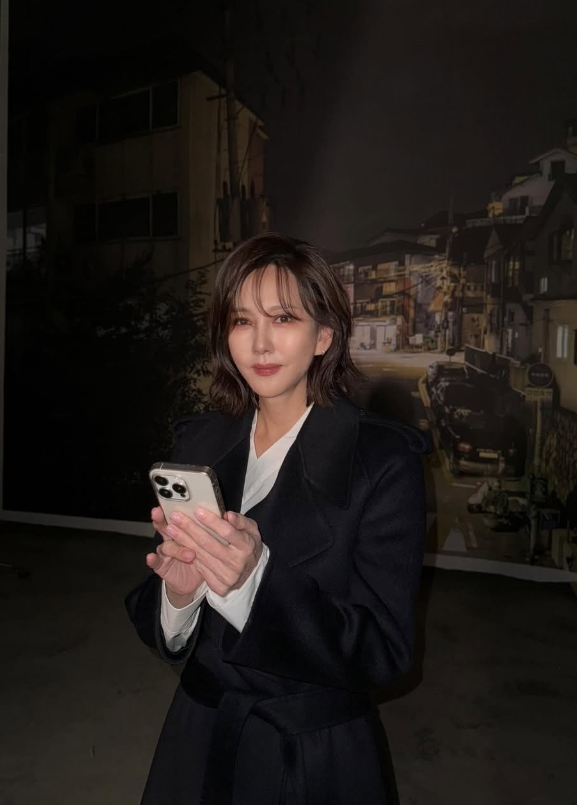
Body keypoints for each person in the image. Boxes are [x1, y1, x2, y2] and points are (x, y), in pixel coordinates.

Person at [125, 232, 429, 805]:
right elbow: (160, 620)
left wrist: (253, 584)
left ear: (324, 335)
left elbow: (384, 652)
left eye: (284, 317)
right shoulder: (199, 442)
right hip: (199, 729)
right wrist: (179, 597)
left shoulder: (382, 463)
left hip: (311, 750)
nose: (260, 343)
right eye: (242, 320)